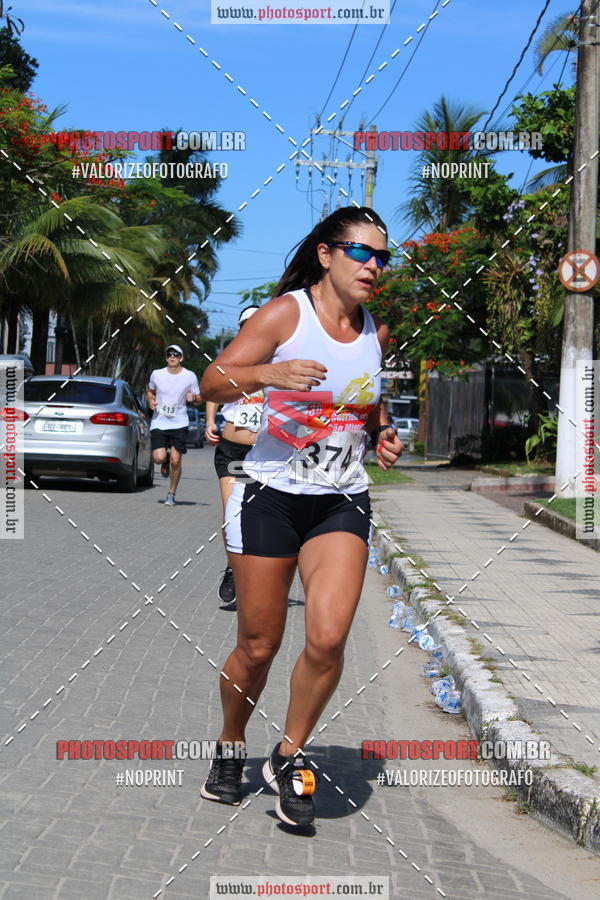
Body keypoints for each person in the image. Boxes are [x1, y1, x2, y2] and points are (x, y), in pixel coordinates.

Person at [199, 207, 403, 827]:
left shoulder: (377, 332)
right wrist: (268, 372)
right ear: (326, 254)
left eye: (382, 257)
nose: (374, 267)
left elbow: (366, 405)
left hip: (340, 498)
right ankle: (232, 743)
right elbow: (213, 381)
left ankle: (290, 756)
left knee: (329, 637)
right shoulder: (287, 314)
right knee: (259, 645)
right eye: (361, 253)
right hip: (272, 492)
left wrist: (384, 432)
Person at [205, 305, 263, 607]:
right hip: (233, 451)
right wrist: (210, 421)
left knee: (260, 520)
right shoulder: (231, 361)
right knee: (232, 517)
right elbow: (212, 390)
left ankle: (257, 577)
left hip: (266, 454)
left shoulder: (279, 361)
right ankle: (233, 569)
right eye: (245, 325)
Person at [147, 344, 201, 507]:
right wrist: (150, 400)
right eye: (169, 354)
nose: (172, 357)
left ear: (181, 358)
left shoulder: (190, 376)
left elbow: (199, 399)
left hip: (179, 422)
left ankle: (171, 494)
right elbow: (150, 391)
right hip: (159, 422)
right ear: (166, 357)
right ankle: (164, 461)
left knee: (176, 461)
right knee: (158, 458)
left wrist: (194, 399)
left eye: (176, 354)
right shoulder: (157, 374)